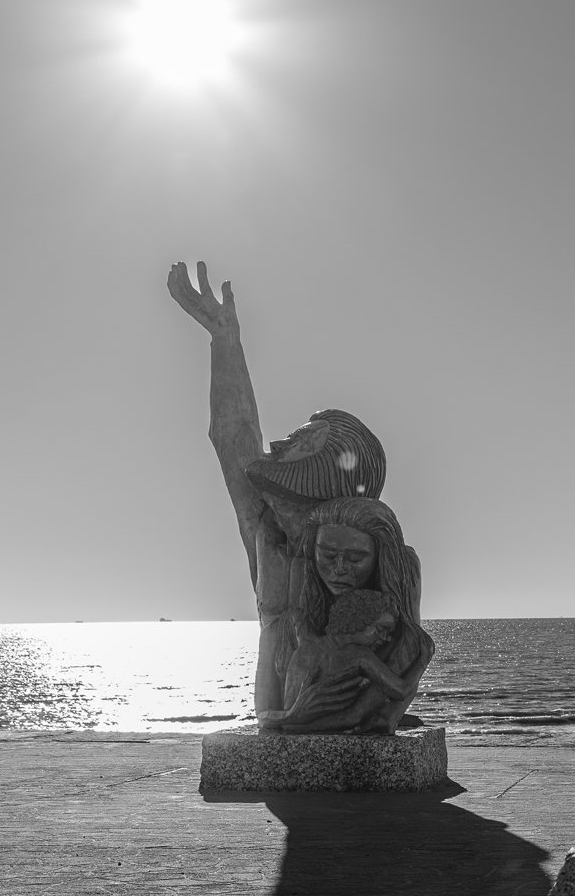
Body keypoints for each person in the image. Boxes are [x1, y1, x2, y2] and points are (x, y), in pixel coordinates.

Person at [165, 259, 403, 720]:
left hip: (340, 706)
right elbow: (233, 432)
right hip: (278, 711)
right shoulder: (266, 526)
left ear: (328, 465)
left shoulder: (362, 538)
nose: (279, 445)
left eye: (301, 441)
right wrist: (224, 340)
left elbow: (399, 633)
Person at [261, 499, 435, 736]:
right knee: (274, 632)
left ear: (380, 556)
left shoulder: (403, 571)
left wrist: (390, 715)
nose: (340, 568)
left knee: (410, 638)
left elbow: (411, 646)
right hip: (304, 710)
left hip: (358, 704)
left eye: (355, 559)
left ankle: (371, 716)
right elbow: (265, 711)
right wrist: (292, 714)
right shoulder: (299, 583)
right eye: (328, 555)